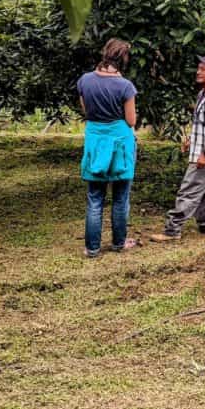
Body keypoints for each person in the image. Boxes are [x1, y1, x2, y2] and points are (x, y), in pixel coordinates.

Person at [150, 54, 205, 242]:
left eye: (203, 69)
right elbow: (202, 125)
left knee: (189, 190)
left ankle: (172, 230)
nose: (198, 72)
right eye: (198, 68)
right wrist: (191, 141)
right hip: (202, 151)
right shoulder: (204, 94)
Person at [77, 38, 138, 258]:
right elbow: (131, 120)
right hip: (120, 142)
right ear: (123, 59)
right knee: (121, 197)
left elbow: (87, 111)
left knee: (95, 197)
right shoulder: (125, 86)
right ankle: (119, 243)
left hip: (95, 140)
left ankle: (92, 248)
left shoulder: (85, 80)